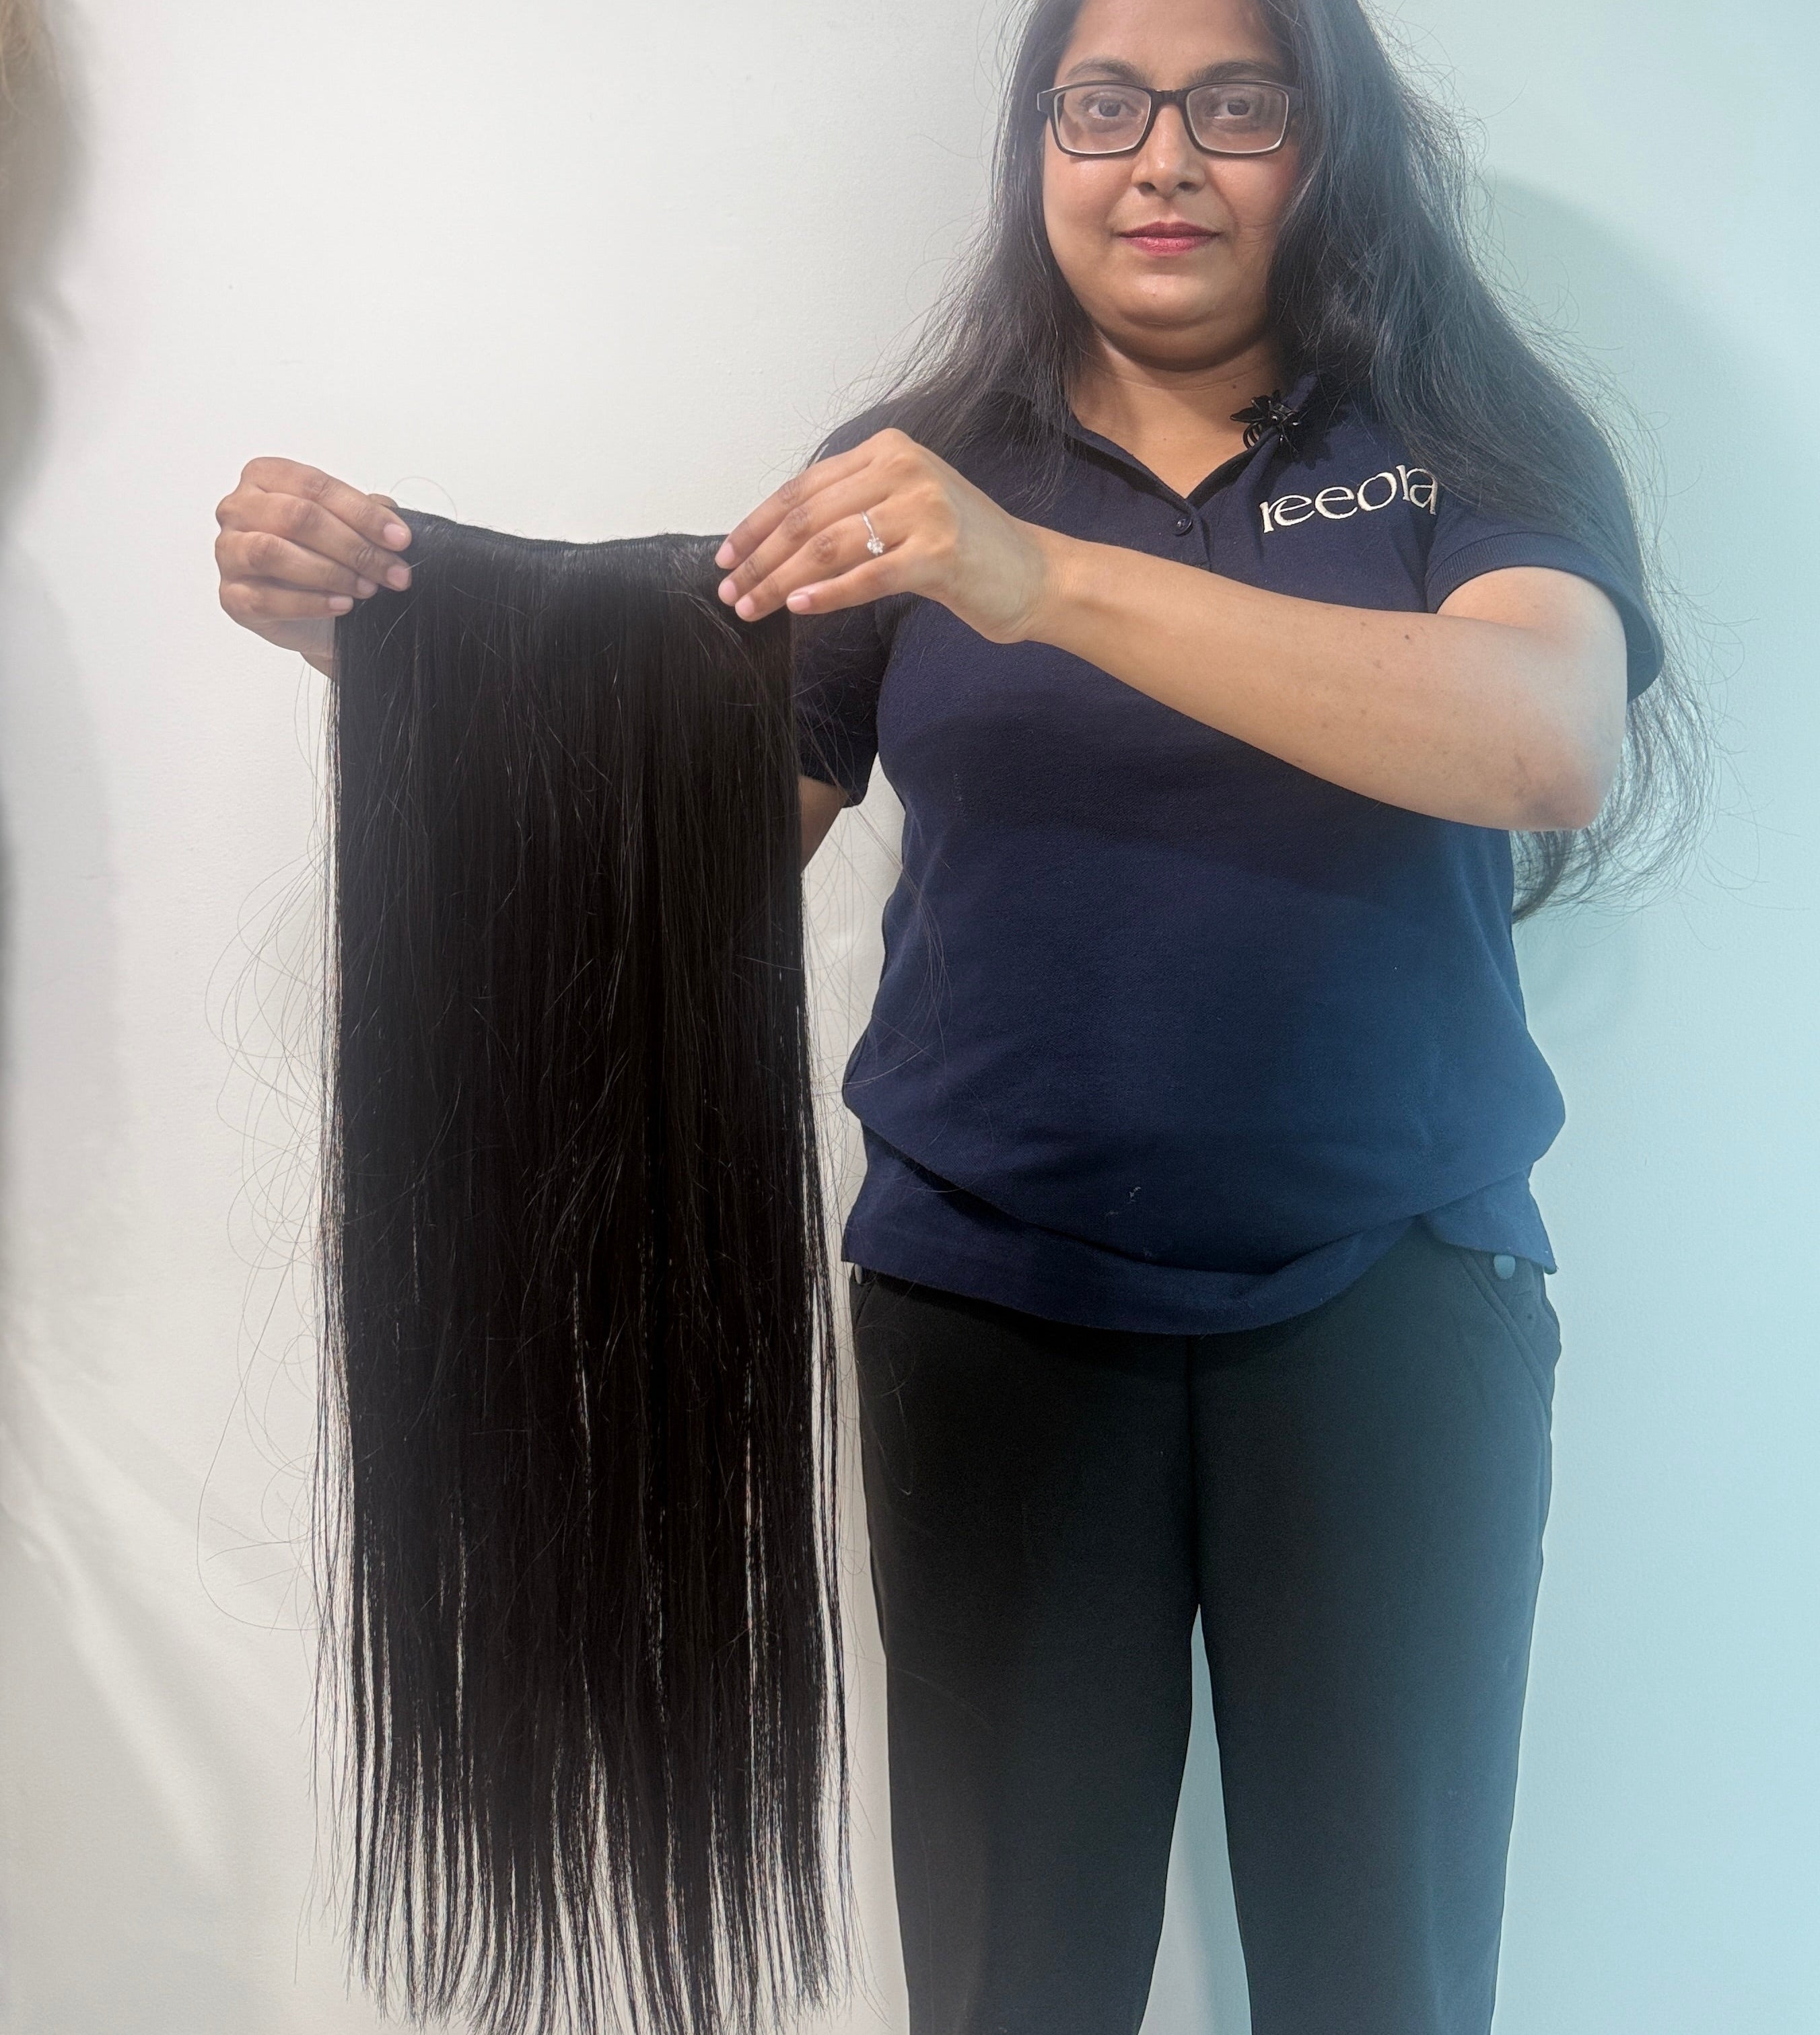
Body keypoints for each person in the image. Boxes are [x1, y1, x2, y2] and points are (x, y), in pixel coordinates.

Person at [214, 1, 1709, 2028]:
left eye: (1234, 105)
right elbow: (689, 837)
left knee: (1388, 1980)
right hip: (993, 1318)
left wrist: (1043, 581)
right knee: (1014, 1986)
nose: (1161, 158)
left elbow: (1543, 740)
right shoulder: (906, 483)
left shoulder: (1458, 449)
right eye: (1105, 104)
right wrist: (389, 655)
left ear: (1325, 143)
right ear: (1041, 144)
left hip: (1396, 1314)